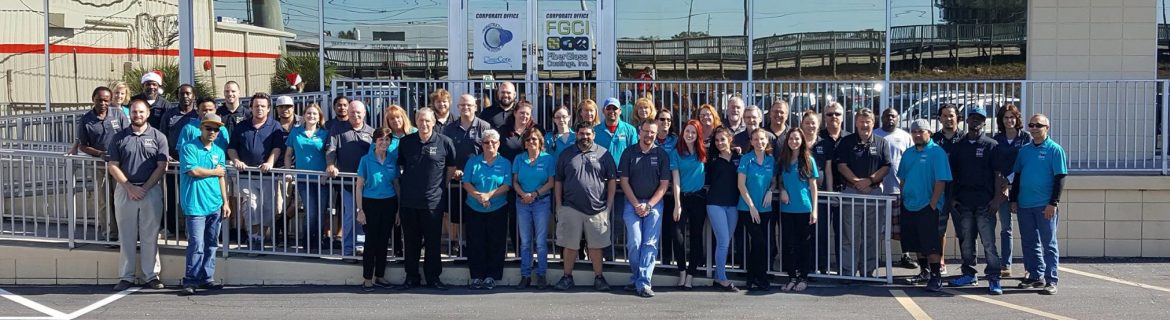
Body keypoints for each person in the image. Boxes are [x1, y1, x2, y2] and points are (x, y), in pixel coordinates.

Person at [106, 99, 168, 291]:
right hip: (125, 191)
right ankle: (127, 276)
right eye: (134, 112)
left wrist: (145, 187)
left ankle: (151, 275)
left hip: (150, 191)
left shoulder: (159, 137)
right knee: (127, 236)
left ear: (147, 113)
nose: (138, 115)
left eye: (141, 112)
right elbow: (112, 166)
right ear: (129, 114)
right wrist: (130, 187)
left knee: (150, 235)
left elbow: (161, 166)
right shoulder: (119, 138)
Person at [552, 121, 618, 292]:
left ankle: (599, 277)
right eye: (581, 133)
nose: (585, 137)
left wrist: (608, 206)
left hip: (597, 208)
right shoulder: (566, 154)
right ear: (576, 135)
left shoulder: (604, 154)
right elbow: (558, 180)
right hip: (570, 207)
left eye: (588, 134)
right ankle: (567, 277)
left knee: (596, 246)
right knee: (569, 245)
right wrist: (559, 206)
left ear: (593, 135)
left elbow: (611, 180)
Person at [396, 108, 457, 290]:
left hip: (433, 203)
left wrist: (439, 187)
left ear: (434, 122)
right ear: (416, 121)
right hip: (409, 202)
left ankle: (433, 278)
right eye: (421, 120)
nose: (424, 124)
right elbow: (401, 167)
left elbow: (451, 169)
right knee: (411, 242)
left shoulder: (445, 142)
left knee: (433, 243)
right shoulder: (406, 142)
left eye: (428, 121)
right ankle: (411, 277)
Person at [947, 106, 1003, 294]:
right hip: (964, 203)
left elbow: (998, 175)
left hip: (985, 204)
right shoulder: (959, 146)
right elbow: (952, 175)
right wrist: (953, 199)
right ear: (967, 120)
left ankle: (994, 278)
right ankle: (969, 274)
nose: (975, 122)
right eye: (972, 118)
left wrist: (996, 200)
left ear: (984, 122)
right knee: (967, 242)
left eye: (979, 119)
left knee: (988, 243)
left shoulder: (991, 145)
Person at [1010, 114, 1067, 296]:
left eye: (1038, 125)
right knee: (1029, 242)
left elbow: (1060, 178)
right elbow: (1017, 176)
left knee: (1048, 244)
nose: (1034, 128)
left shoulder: (1055, 150)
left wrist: (1053, 203)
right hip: (1025, 204)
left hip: (1045, 205)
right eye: (1031, 125)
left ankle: (1051, 280)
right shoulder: (1024, 151)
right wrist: (1013, 199)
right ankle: (1035, 275)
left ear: (1047, 128)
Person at [177, 113, 231, 296]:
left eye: (216, 129)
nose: (213, 132)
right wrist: (214, 171)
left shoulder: (219, 151)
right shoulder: (189, 147)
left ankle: (207, 277)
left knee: (211, 243)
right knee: (196, 243)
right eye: (209, 128)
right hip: (195, 204)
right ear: (201, 127)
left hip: (215, 203)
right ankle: (190, 280)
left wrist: (225, 202)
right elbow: (193, 171)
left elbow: (222, 177)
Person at [834, 108, 890, 280]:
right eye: (861, 121)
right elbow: (841, 165)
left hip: (873, 192)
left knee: (871, 235)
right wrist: (857, 182)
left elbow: (886, 166)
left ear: (874, 123)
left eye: (868, 121)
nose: (865, 125)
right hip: (852, 192)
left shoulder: (881, 142)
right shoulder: (846, 141)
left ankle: (868, 271)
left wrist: (870, 181)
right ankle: (848, 272)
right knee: (849, 235)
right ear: (856, 123)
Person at [897, 119, 952, 293]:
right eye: (914, 132)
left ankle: (936, 277)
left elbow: (941, 181)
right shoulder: (908, 153)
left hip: (928, 207)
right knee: (917, 243)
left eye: (921, 131)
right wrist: (904, 197)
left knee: (931, 244)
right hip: (909, 205)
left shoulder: (937, 152)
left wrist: (933, 204)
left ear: (929, 132)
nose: (917, 135)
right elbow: (903, 178)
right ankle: (924, 272)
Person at [617, 120, 671, 298]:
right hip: (632, 203)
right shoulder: (629, 152)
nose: (649, 135)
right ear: (639, 132)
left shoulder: (662, 154)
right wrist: (636, 204)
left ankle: (643, 282)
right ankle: (638, 277)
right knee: (635, 242)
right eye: (646, 131)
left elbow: (664, 185)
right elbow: (623, 181)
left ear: (657, 134)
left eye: (652, 132)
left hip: (654, 205)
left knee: (650, 244)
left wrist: (649, 205)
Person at [75, 86, 131, 241]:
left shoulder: (118, 114)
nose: (103, 103)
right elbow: (82, 145)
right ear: (93, 99)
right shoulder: (86, 119)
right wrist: (99, 153)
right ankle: (110, 235)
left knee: (122, 199)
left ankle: (126, 234)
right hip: (100, 166)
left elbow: (129, 134)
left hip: (120, 165)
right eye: (99, 100)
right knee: (104, 201)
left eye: (106, 100)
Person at [228, 93, 282, 254]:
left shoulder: (275, 126)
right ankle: (253, 237)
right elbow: (232, 148)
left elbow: (277, 148)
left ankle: (260, 238)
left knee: (267, 207)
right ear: (251, 108)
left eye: (263, 106)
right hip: (246, 175)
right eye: (256, 106)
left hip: (267, 176)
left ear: (269, 109)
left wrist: (270, 162)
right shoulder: (242, 126)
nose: (259, 109)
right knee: (251, 205)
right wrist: (237, 161)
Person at [462, 129, 512, 290]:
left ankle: (492, 276)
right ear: (481, 144)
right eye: (486, 142)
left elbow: (507, 184)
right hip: (474, 207)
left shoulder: (505, 163)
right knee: (476, 243)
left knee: (496, 243)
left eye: (493, 142)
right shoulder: (473, 162)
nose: (490, 145)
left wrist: (489, 196)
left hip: (497, 208)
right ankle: (476, 276)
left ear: (498, 144)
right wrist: (479, 196)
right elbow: (466, 182)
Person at [443, 94, 492, 255]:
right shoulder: (449, 128)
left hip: (478, 181)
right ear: (457, 107)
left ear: (476, 107)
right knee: (456, 215)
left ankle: (475, 246)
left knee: (475, 215)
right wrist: (453, 169)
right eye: (462, 105)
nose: (466, 108)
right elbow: (446, 154)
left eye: (469, 105)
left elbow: (490, 152)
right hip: (456, 180)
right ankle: (458, 246)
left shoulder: (484, 127)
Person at [324, 100, 374, 259]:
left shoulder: (372, 132)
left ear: (364, 113)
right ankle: (347, 250)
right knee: (349, 216)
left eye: (358, 112)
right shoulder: (337, 130)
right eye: (352, 112)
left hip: (367, 184)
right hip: (347, 184)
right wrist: (331, 165)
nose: (355, 115)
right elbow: (331, 149)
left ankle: (360, 246)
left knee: (364, 216)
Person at [355, 127, 400, 291]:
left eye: (387, 139)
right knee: (371, 242)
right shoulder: (365, 160)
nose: (384, 142)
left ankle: (380, 276)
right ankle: (367, 278)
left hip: (389, 203)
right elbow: (359, 186)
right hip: (370, 203)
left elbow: (396, 185)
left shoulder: (392, 160)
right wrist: (360, 210)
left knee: (383, 242)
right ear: (375, 141)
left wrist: (398, 210)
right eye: (381, 139)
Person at [874, 107, 918, 271]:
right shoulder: (874, 134)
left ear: (898, 118)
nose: (890, 118)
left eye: (893, 116)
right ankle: (875, 257)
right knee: (876, 226)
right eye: (887, 116)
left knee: (902, 227)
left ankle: (905, 255)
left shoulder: (905, 137)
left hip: (899, 189)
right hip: (877, 190)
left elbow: (912, 160)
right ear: (882, 117)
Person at [776, 128, 819, 292]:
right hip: (787, 209)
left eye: (797, 139)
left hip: (804, 208)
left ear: (802, 140)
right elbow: (779, 181)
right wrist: (782, 190)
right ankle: (792, 277)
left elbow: (813, 186)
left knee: (804, 245)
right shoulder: (783, 160)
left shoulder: (808, 160)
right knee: (788, 244)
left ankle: (803, 277)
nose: (794, 141)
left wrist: (814, 210)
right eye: (791, 139)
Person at [513, 129, 556, 289]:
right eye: (528, 140)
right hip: (522, 203)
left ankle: (541, 275)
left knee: (540, 242)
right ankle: (525, 276)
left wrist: (535, 194)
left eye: (534, 139)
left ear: (540, 142)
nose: (531, 142)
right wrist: (524, 195)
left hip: (541, 202)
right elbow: (515, 181)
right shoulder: (519, 159)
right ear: (524, 143)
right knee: (525, 242)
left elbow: (551, 182)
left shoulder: (548, 159)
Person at [283, 103, 329, 252]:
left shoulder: (324, 133)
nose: (311, 116)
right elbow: (288, 154)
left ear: (319, 117)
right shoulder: (296, 132)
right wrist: (289, 172)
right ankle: (308, 245)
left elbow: (330, 155)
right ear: (304, 115)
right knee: (310, 212)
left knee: (321, 212)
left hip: (322, 179)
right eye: (309, 113)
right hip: (304, 179)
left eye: (315, 114)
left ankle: (318, 245)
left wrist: (327, 173)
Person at [736, 128, 778, 291]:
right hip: (747, 208)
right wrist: (752, 207)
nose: (759, 142)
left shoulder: (771, 160)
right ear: (751, 142)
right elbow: (741, 185)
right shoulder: (746, 159)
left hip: (765, 208)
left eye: (762, 139)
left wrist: (770, 190)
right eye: (756, 139)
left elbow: (774, 181)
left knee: (759, 244)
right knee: (759, 242)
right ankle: (760, 277)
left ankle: (751, 277)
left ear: (766, 141)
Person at [991, 104, 1029, 278]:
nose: (1009, 120)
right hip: (1002, 190)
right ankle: (1006, 265)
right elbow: (994, 165)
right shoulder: (996, 139)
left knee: (1028, 229)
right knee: (1006, 228)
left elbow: (1026, 164)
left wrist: (1010, 181)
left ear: (1017, 118)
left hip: (1022, 188)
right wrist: (1002, 184)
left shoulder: (1026, 138)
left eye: (1012, 117)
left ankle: (1031, 267)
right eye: (1006, 117)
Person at [669, 119, 707, 290]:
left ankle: (691, 274)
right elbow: (675, 179)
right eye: (687, 131)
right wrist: (678, 204)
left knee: (697, 236)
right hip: (681, 198)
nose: (689, 135)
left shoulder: (703, 152)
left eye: (693, 132)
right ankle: (682, 270)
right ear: (682, 133)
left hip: (699, 198)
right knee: (677, 235)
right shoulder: (675, 153)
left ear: (698, 134)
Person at [813, 103, 850, 275]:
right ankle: (821, 266)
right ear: (824, 117)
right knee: (820, 231)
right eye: (829, 114)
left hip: (845, 192)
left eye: (837, 113)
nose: (833, 117)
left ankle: (843, 267)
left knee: (843, 233)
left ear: (843, 116)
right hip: (821, 193)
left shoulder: (850, 138)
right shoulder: (817, 138)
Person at [158, 84, 197, 238]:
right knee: (171, 197)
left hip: (191, 165)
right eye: (182, 94)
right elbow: (162, 137)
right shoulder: (169, 115)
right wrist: (166, 154)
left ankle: (190, 229)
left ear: (193, 96)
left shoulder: (197, 115)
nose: (185, 96)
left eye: (188, 93)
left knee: (189, 197)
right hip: (173, 164)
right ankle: (171, 228)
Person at [705, 126, 740, 292]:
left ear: (730, 140)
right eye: (717, 140)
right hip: (715, 203)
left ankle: (718, 277)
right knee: (724, 241)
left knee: (724, 242)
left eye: (723, 139)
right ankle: (722, 278)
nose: (719, 143)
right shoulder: (711, 158)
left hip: (733, 204)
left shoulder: (739, 157)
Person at [932, 104, 964, 276]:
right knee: (939, 229)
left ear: (957, 117)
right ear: (940, 119)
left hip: (960, 193)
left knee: (964, 231)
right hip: (940, 191)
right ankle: (941, 262)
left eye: (951, 115)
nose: (948, 119)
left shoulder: (965, 138)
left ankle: (966, 266)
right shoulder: (934, 140)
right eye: (944, 116)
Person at [595, 97, 639, 164]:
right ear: (603, 110)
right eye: (608, 108)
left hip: (623, 172)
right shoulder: (595, 131)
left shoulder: (630, 130)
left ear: (620, 111)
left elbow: (634, 153)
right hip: (601, 172)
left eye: (614, 108)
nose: (611, 111)